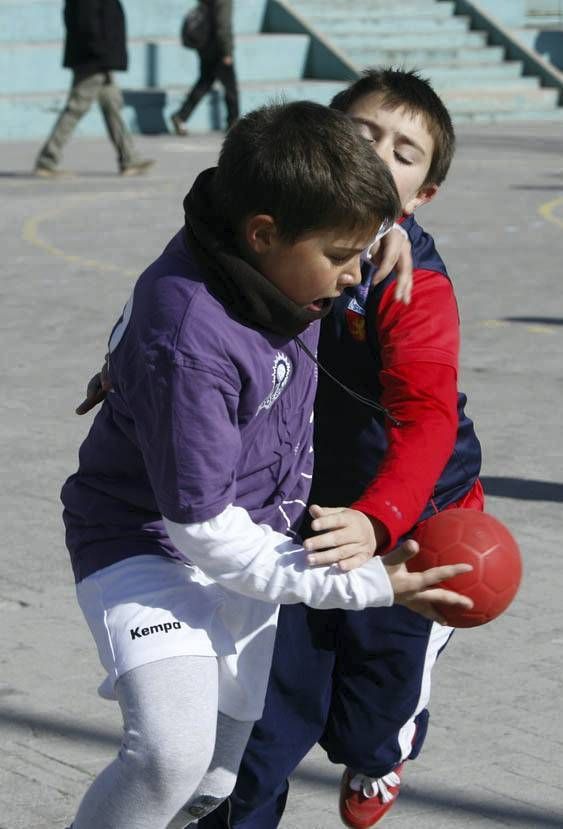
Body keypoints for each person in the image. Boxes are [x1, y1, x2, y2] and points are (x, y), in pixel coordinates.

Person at [59, 100, 474, 829]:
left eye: (365, 245)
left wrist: (388, 231)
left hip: (258, 537)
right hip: (154, 543)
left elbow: (424, 404)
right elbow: (204, 532)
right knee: (167, 754)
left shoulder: (271, 241)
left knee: (217, 775)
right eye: (345, 254)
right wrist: (372, 582)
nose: (355, 275)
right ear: (264, 234)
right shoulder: (192, 341)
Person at [198, 69, 484, 829]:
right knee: (260, 728)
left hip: (410, 519)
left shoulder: (411, 281)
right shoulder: (275, 237)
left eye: (405, 152)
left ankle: (381, 752)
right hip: (300, 513)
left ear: (421, 196)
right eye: (361, 134)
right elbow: (219, 201)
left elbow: (425, 418)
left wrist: (380, 519)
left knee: (368, 710)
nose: (379, 155)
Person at [34, 0, 154, 178]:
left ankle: (129, 159)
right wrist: (99, 52)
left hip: (99, 59)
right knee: (77, 107)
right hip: (93, 59)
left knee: (112, 106)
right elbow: (86, 22)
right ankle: (47, 160)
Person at [171, 0, 239, 136]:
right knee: (230, 87)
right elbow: (223, 25)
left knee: (204, 82)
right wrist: (227, 52)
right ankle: (234, 124)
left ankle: (181, 116)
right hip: (218, 49)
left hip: (205, 46)